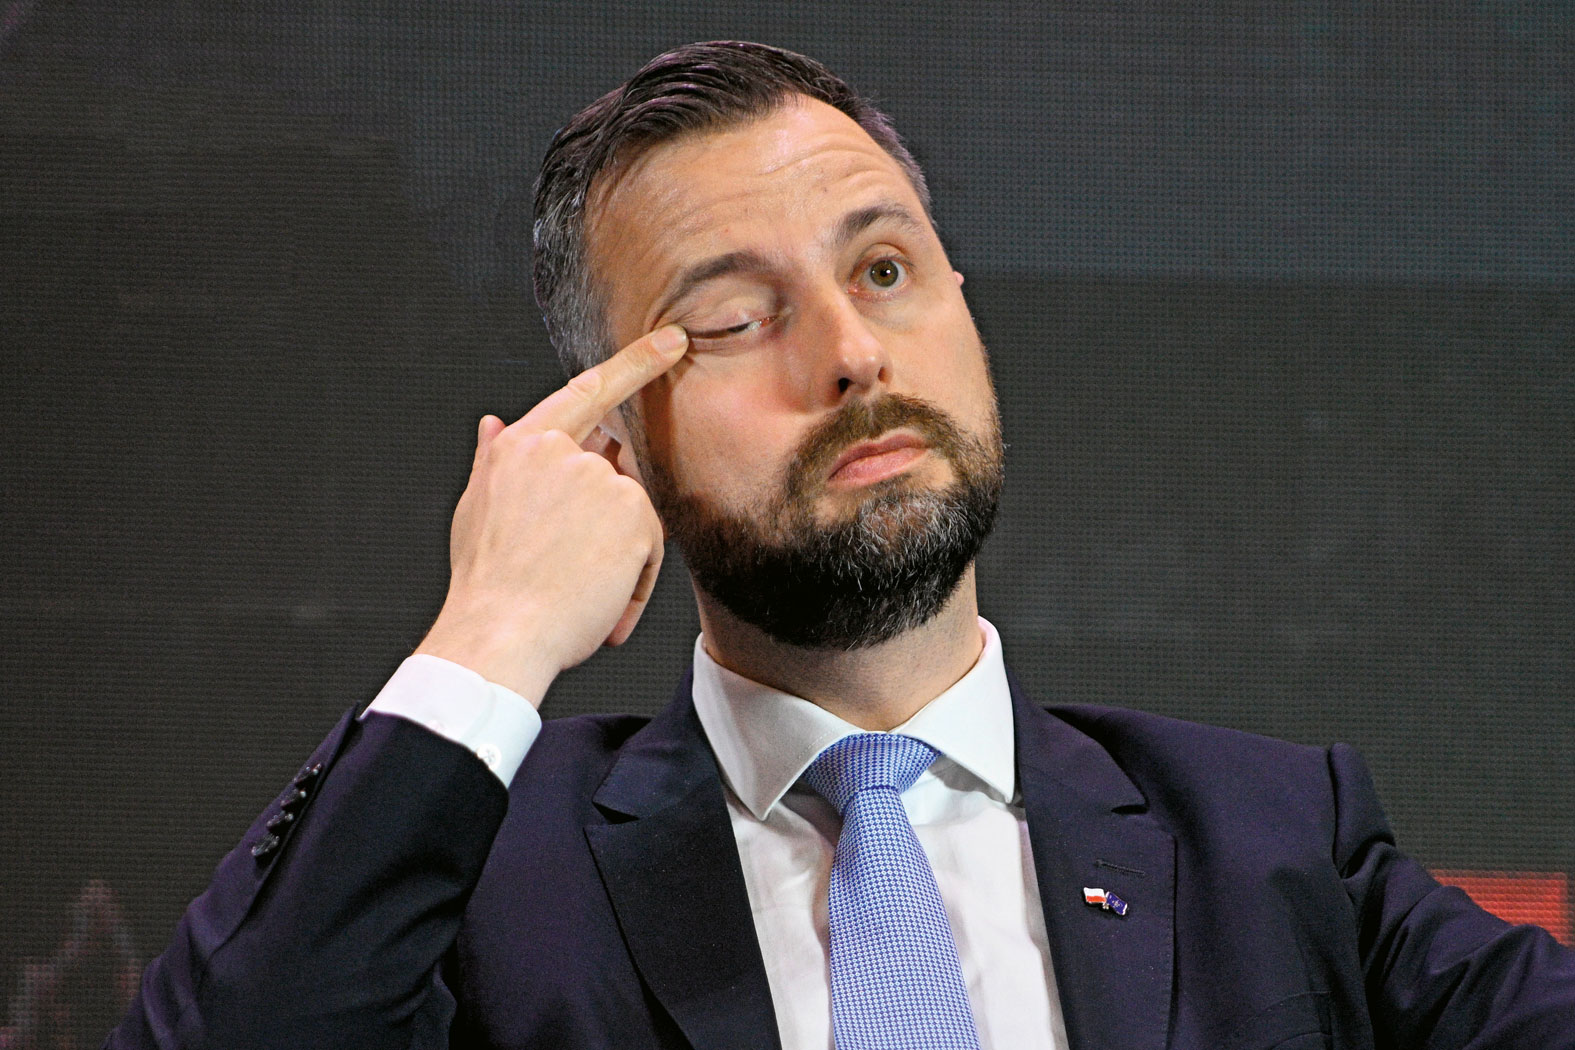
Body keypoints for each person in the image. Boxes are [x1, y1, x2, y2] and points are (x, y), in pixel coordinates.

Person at [108, 41, 1574, 1050]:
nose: (853, 352)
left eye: (883, 268)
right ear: (616, 449)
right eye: (734, 318)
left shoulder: (1274, 840)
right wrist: (488, 631)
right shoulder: (484, 872)